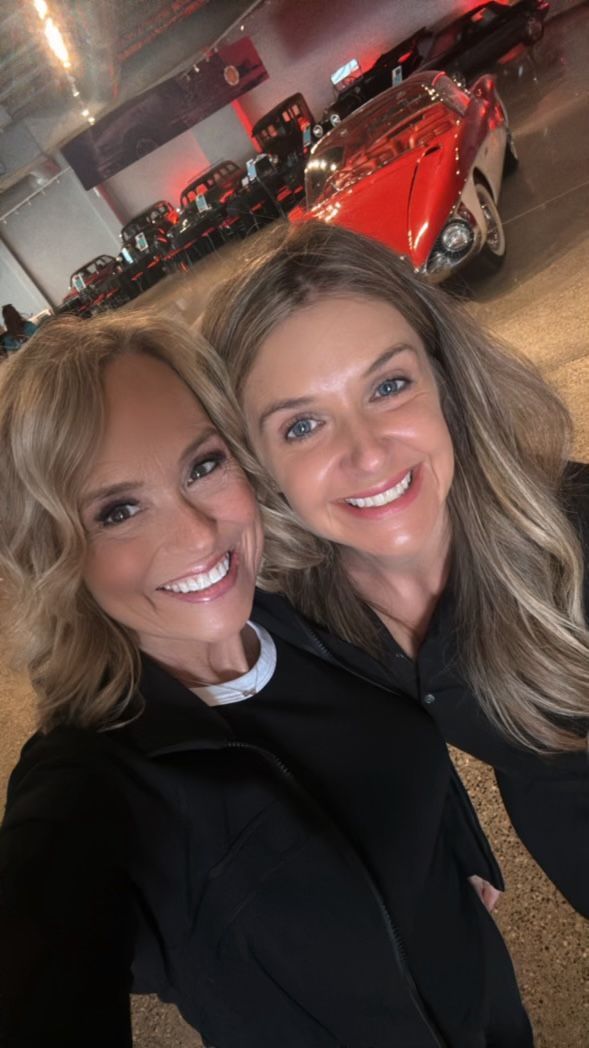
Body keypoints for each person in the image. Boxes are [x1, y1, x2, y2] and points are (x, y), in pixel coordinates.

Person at [0, 312, 533, 1047]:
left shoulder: (306, 611)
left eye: (202, 466)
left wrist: (463, 851)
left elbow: (410, 731)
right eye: (118, 510)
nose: (195, 534)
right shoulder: (93, 789)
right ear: (54, 551)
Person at [201, 219, 589, 920]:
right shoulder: (293, 609)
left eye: (388, 386)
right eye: (301, 425)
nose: (368, 453)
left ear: (441, 378)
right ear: (255, 461)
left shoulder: (571, 535)